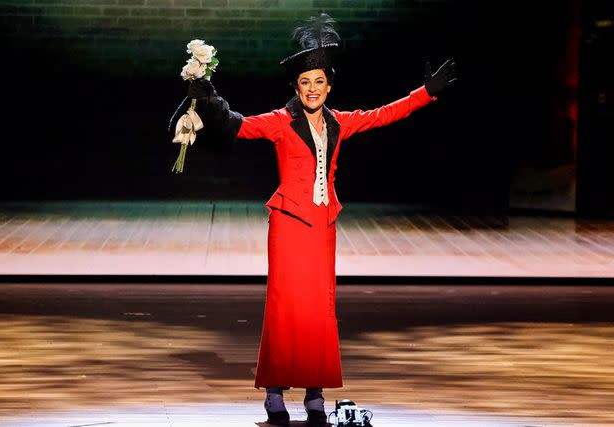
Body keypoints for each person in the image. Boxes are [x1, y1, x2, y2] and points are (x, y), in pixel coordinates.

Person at [170, 13, 456, 427]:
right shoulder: (281, 122)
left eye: (319, 81)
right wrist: (206, 93)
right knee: (284, 308)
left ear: (329, 85)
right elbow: (239, 127)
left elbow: (383, 114)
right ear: (296, 86)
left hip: (323, 227)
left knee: (319, 311)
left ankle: (315, 392)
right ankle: (273, 391)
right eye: (305, 82)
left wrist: (425, 93)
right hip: (288, 225)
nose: (312, 89)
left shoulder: (340, 122)